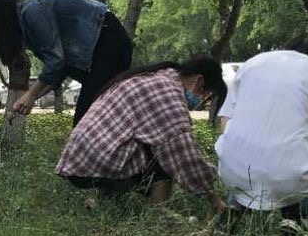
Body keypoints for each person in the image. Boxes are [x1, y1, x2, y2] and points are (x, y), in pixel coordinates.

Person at [55, 56, 227, 213]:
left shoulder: (156, 78)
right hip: (95, 161)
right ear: (199, 81)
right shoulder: (167, 92)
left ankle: (106, 203)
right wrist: (214, 198)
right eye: (205, 95)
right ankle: (159, 214)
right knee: (165, 153)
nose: (202, 100)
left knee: (150, 144)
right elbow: (183, 155)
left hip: (80, 158)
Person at [215, 38, 308, 229]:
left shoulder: (251, 65)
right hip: (290, 181)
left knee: (251, 158)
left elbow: (225, 121)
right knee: (296, 160)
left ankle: (235, 208)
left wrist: (233, 151)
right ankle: (294, 218)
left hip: (231, 171)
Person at [0, 0, 133, 125]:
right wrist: (30, 97)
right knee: (98, 119)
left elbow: (56, 61)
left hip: (109, 41)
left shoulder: (32, 13)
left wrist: (32, 94)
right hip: (100, 50)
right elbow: (59, 71)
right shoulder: (27, 29)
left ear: (2, 18)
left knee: (84, 122)